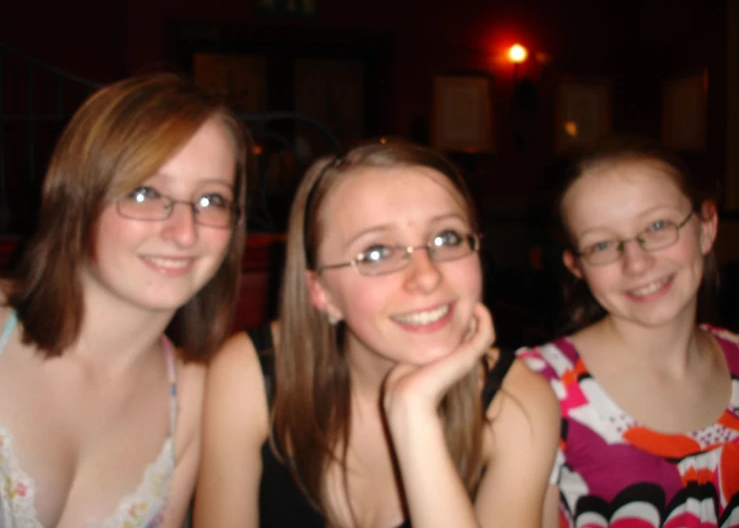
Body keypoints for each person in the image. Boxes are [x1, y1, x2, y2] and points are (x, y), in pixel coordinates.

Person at [194, 139, 560, 527]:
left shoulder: (519, 404)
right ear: (322, 293)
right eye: (377, 252)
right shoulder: (250, 375)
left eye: (447, 238)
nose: (427, 276)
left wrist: (413, 413)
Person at [0, 72, 247, 527]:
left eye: (212, 200)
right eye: (145, 192)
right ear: (77, 197)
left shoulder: (190, 395)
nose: (185, 232)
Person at [517, 135, 739, 527]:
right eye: (602, 245)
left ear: (706, 227)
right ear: (577, 267)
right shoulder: (536, 392)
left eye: (657, 226)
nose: (636, 263)